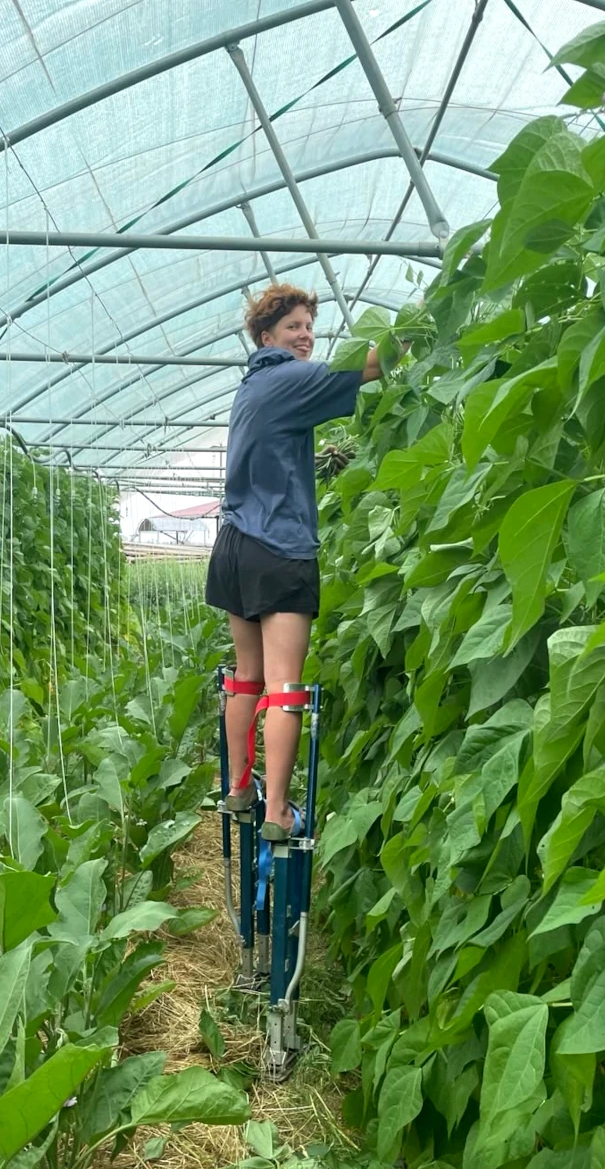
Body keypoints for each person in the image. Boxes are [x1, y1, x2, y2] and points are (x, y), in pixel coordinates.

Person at [206, 283, 395, 841]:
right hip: (278, 546)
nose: (305, 336)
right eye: (293, 327)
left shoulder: (251, 386)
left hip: (234, 544)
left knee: (247, 678)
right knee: (285, 686)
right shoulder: (290, 377)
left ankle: (239, 787)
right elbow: (373, 363)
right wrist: (413, 328)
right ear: (267, 337)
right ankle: (278, 813)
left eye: (310, 326)